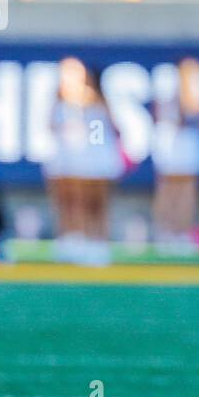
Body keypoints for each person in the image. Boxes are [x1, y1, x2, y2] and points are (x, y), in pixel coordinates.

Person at [152, 57, 199, 249]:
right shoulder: (166, 86)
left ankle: (182, 232)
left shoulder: (198, 90)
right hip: (171, 141)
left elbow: (197, 113)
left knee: (187, 191)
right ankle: (166, 232)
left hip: (189, 142)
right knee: (168, 189)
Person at [76, 69, 123, 266]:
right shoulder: (80, 102)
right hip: (90, 159)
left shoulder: (100, 104)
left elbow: (107, 131)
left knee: (100, 204)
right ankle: (88, 241)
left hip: (99, 160)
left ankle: (100, 243)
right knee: (86, 204)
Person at [47, 57, 88, 259]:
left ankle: (81, 235)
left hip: (81, 160)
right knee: (63, 200)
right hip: (61, 159)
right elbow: (50, 126)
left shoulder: (88, 99)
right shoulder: (56, 102)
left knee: (80, 199)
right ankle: (65, 235)